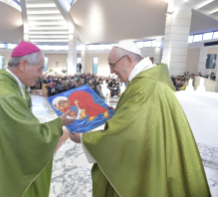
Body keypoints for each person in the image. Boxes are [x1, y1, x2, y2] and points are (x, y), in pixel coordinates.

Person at [69, 41, 211, 197]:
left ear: (128, 60)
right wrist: (120, 112)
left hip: (151, 161)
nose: (111, 71)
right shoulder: (150, 82)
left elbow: (129, 135)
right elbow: (142, 119)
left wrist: (84, 138)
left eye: (112, 65)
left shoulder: (143, 88)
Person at [0, 41, 75, 197]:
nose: (40, 75)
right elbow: (31, 137)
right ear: (23, 65)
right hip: (2, 168)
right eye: (39, 69)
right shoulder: (5, 94)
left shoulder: (5, 87)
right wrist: (59, 123)